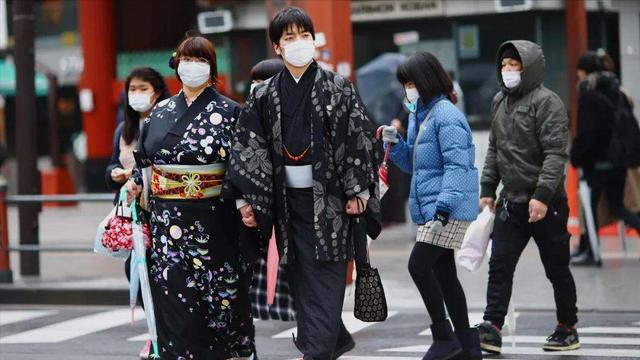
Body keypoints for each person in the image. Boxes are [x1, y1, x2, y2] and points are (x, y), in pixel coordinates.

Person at [225, 7, 381, 360]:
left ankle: (315, 352)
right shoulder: (264, 94)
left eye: (304, 36)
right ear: (277, 48)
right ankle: (329, 341)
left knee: (327, 276)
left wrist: (359, 190)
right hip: (285, 201)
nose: (299, 43)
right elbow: (249, 147)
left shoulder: (337, 86)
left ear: (314, 40)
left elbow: (359, 137)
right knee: (300, 277)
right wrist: (247, 200)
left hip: (332, 201)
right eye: (289, 38)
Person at [125, 35, 254, 359]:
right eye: (186, 59)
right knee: (174, 299)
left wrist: (245, 205)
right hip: (168, 223)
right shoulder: (160, 113)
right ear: (176, 65)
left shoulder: (230, 112)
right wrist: (135, 185)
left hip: (215, 222)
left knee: (221, 302)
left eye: (200, 60)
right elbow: (143, 162)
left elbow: (242, 167)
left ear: (211, 68)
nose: (192, 66)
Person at [476, 40, 580, 353]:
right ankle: (492, 326)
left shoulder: (548, 102)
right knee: (500, 264)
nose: (508, 71)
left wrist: (543, 196)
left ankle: (567, 327)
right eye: (505, 65)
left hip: (547, 205)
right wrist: (487, 189)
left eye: (515, 66)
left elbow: (555, 154)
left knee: (557, 268)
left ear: (529, 68)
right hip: (512, 202)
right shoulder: (499, 102)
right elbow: (495, 148)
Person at [380, 52, 480, 360]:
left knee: (418, 265)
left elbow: (457, 166)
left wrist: (443, 208)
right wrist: (395, 144)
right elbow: (419, 165)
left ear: (425, 81)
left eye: (410, 83)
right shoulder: (420, 116)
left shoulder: (446, 115)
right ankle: (467, 346)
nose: (406, 90)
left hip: (446, 209)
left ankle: (444, 338)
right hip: (435, 208)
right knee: (444, 273)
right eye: (404, 84)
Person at [105, 67, 169, 359]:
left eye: (143, 88)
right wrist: (116, 174)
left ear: (157, 91)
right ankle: (156, 334)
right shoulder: (123, 130)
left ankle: (167, 337)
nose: (137, 94)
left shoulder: (170, 120)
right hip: (134, 215)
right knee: (137, 274)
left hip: (165, 211)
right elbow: (108, 167)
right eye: (132, 89)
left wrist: (141, 175)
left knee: (166, 276)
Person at [570, 51, 640, 265]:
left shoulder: (589, 96)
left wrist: (577, 156)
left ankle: (591, 252)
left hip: (598, 162)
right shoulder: (617, 93)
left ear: (582, 71)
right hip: (620, 159)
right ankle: (588, 249)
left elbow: (589, 133)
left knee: (590, 208)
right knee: (618, 206)